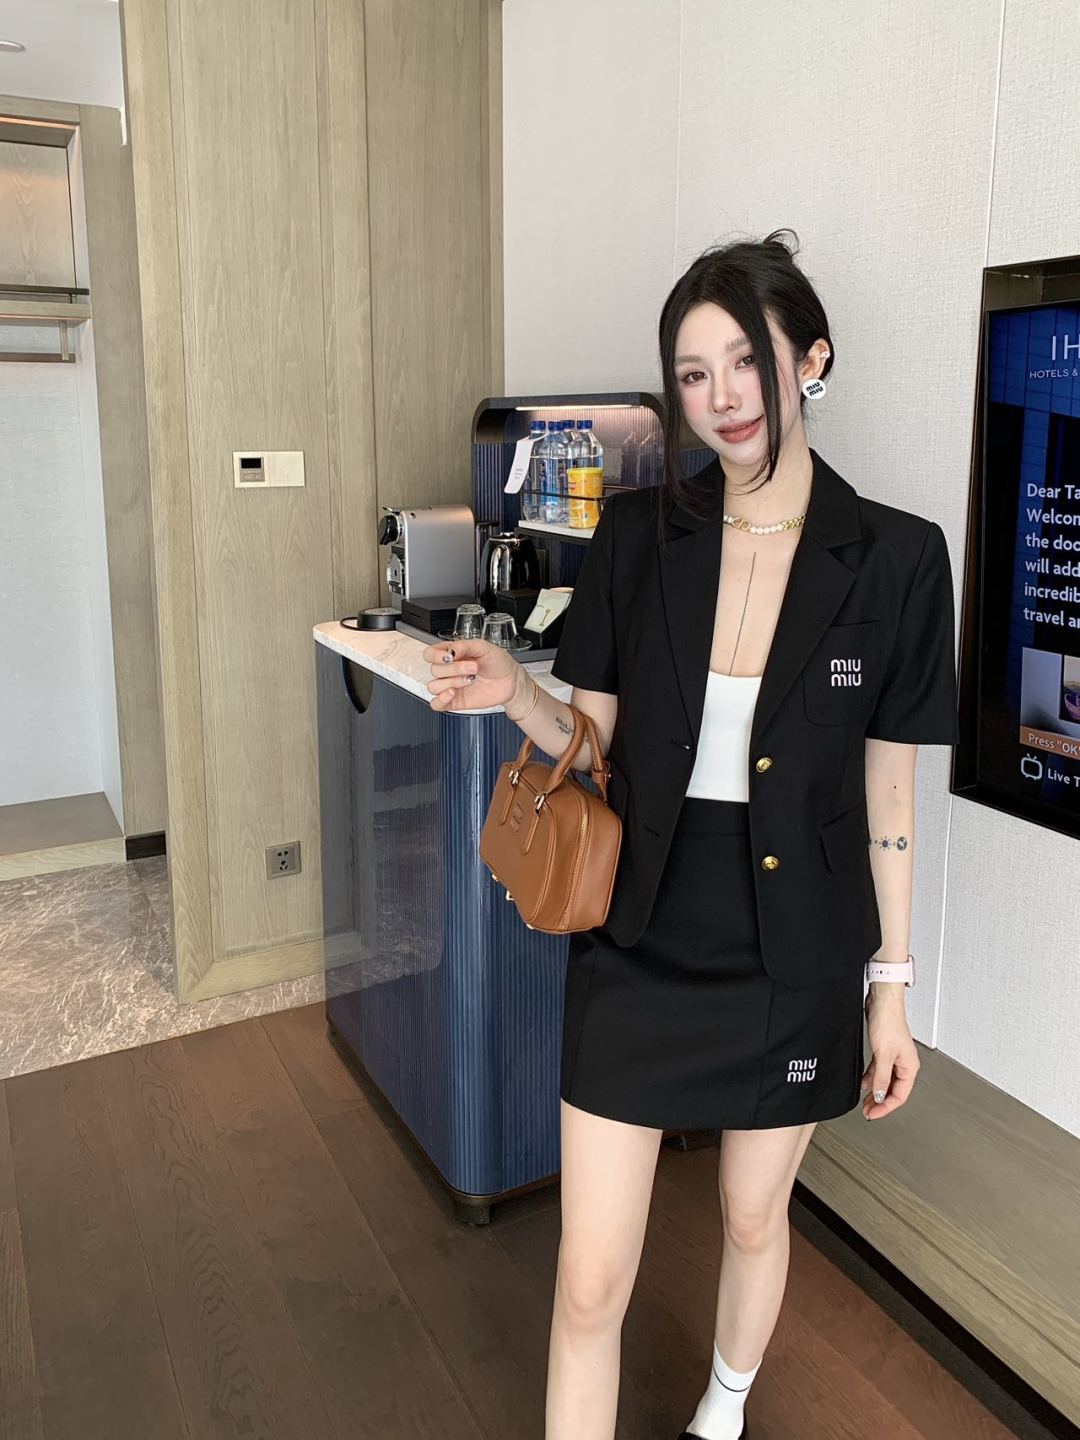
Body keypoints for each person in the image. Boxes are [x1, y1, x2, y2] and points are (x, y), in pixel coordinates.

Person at [422, 229, 959, 1440]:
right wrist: (514, 694)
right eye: (693, 373)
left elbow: (889, 795)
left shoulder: (897, 560)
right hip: (640, 939)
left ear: (811, 359)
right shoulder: (637, 537)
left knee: (755, 1217)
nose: (722, 397)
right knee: (587, 1280)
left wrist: (890, 990)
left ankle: (722, 1417)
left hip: (795, 953)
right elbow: (594, 748)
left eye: (746, 361)